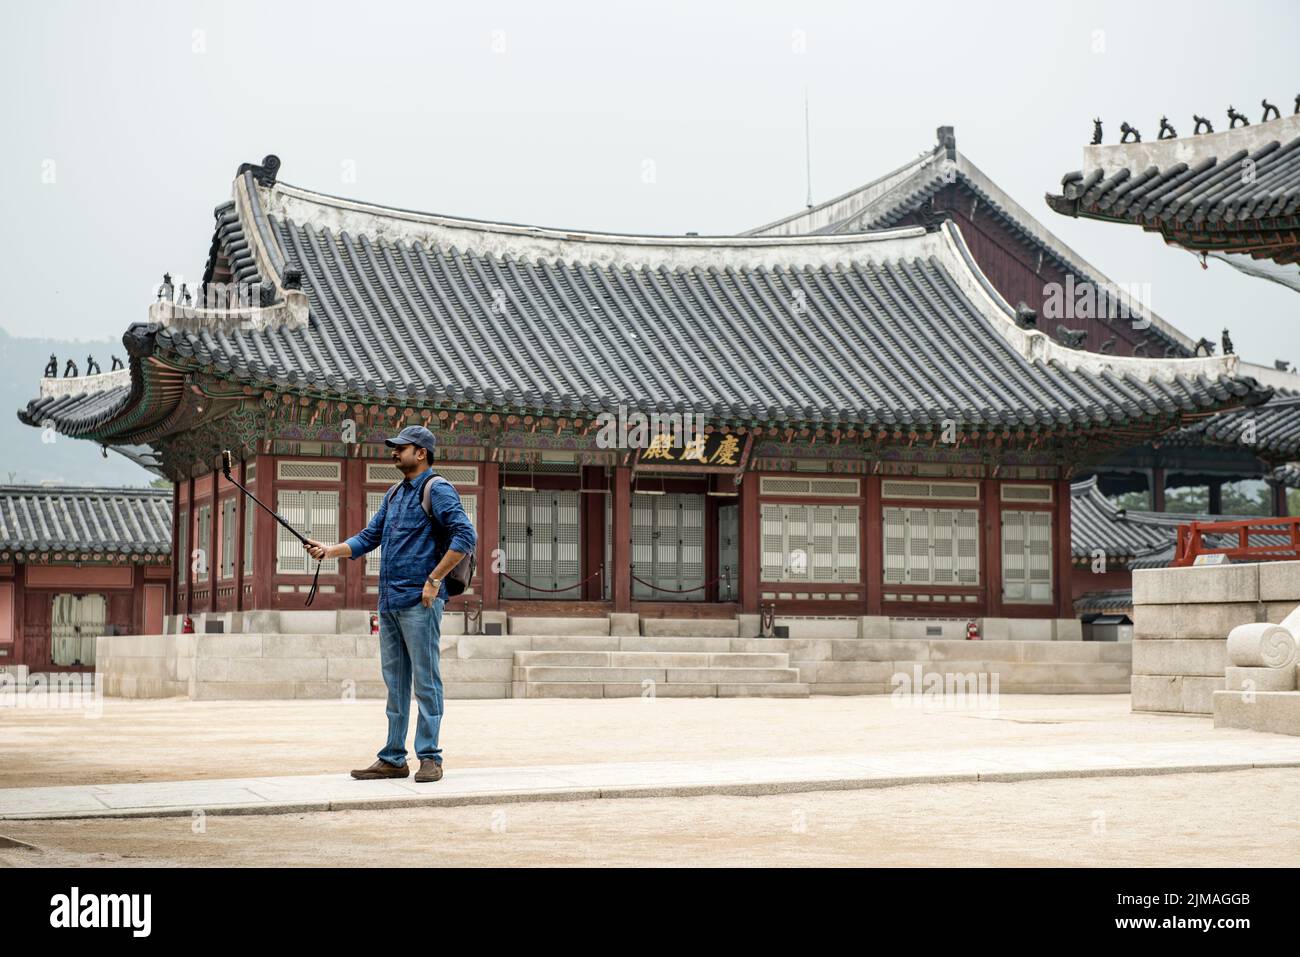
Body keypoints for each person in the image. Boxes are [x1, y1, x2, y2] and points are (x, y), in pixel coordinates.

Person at [305, 425, 476, 783]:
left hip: (420, 600)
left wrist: (434, 580)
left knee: (425, 680)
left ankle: (430, 756)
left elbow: (466, 535)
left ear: (422, 453)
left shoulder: (437, 489)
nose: (394, 452)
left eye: (402, 447)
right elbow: (370, 536)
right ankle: (394, 757)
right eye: (394, 447)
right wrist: (329, 551)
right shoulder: (395, 493)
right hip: (389, 601)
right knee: (395, 682)